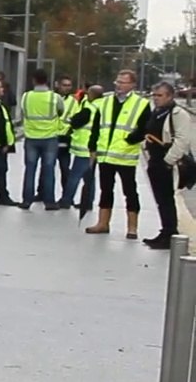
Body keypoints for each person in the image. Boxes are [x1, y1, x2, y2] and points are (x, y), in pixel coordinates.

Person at [85, 70, 150, 239]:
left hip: (125, 155)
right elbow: (96, 127)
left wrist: (130, 140)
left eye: (123, 82)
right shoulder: (105, 102)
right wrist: (92, 147)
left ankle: (132, 227)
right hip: (105, 154)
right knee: (105, 189)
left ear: (132, 85)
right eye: (117, 82)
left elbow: (145, 128)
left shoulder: (141, 104)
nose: (119, 85)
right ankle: (103, 223)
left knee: (130, 191)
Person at [143, 81, 192, 249]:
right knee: (161, 199)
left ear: (170, 96)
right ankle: (165, 231)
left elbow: (182, 140)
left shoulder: (177, 114)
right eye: (154, 95)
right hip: (155, 159)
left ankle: (170, 232)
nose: (156, 99)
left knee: (166, 198)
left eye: (160, 95)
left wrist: (168, 161)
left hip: (167, 162)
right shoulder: (157, 112)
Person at [19, 69, 64, 211]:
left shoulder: (26, 97)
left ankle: (27, 200)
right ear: (47, 80)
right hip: (50, 138)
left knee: (30, 169)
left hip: (31, 138)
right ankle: (49, 202)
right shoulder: (55, 97)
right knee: (49, 169)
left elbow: (23, 112)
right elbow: (61, 111)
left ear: (33, 80)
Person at [59, 84, 104, 218]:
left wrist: (72, 121)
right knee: (89, 177)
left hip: (84, 147)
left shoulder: (90, 108)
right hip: (96, 147)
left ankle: (66, 200)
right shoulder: (104, 106)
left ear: (91, 95)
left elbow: (76, 122)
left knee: (74, 175)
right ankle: (88, 202)